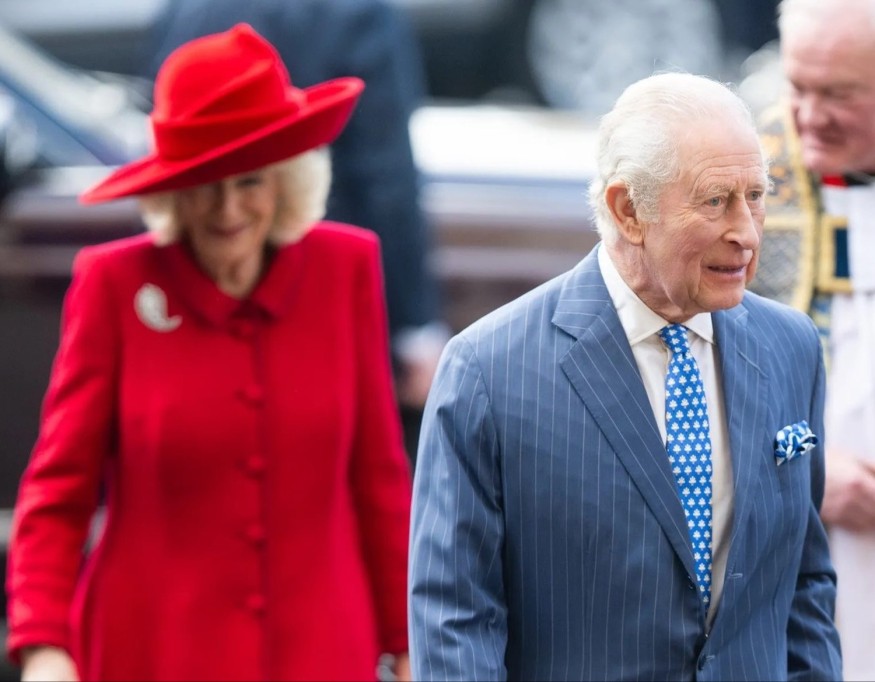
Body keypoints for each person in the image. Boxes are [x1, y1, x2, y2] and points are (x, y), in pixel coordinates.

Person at [5, 24, 411, 682]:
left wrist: (407, 638)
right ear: (172, 188)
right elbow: (59, 490)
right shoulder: (115, 284)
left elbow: (378, 479)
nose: (227, 209)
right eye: (204, 182)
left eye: (249, 182)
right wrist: (44, 646)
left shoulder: (346, 269)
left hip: (320, 650)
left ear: (284, 179)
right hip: (154, 652)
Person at [409, 71, 842, 680]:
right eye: (715, 201)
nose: (746, 231)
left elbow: (803, 583)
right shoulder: (490, 369)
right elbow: (455, 620)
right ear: (628, 210)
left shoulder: (789, 346)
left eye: (756, 195)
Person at [143, 0, 449, 437]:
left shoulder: (188, 8)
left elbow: (165, 155)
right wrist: (415, 323)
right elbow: (385, 176)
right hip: (318, 297)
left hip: (203, 293)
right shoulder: (357, 11)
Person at [749, 0, 875, 678]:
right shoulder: (740, 171)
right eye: (796, 86)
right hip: (787, 560)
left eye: (839, 94)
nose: (806, 116)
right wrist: (804, 470)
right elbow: (688, 369)